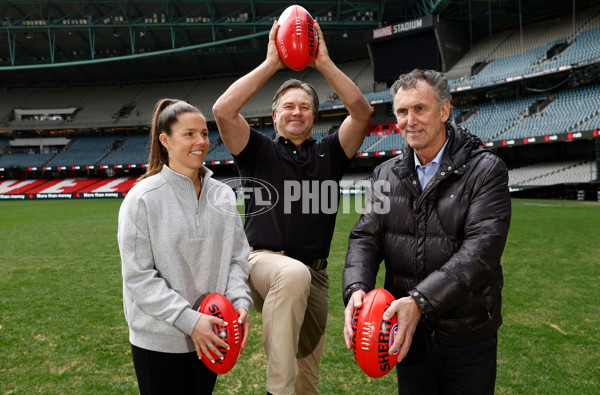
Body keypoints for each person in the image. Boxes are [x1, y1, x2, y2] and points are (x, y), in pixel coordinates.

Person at [212, 21, 373, 395]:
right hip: (261, 263)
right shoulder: (258, 151)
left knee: (307, 381)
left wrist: (323, 64)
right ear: (274, 115)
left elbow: (362, 114)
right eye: (288, 106)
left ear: (314, 116)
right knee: (292, 277)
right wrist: (271, 63)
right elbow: (222, 111)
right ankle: (275, 391)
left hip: (314, 277)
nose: (296, 112)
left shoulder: (330, 153)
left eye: (304, 107)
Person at [342, 69, 511, 394]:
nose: (410, 120)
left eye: (420, 108)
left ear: (444, 111)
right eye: (402, 111)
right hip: (408, 337)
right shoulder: (385, 173)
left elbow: (481, 250)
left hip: (465, 334)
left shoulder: (486, 169)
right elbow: (366, 237)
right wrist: (356, 290)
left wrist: (419, 302)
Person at [117, 99, 252, 394]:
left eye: (204, 133)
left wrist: (240, 302)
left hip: (214, 334)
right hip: (160, 340)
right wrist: (189, 321)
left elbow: (238, 258)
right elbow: (138, 277)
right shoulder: (142, 198)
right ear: (165, 140)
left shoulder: (224, 195)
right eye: (189, 134)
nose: (201, 142)